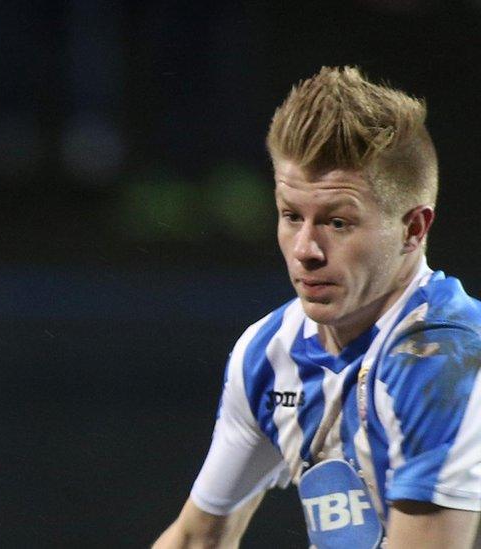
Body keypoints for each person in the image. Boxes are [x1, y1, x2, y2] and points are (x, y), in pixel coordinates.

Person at [153, 66, 481, 548]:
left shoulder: (447, 361)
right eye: (291, 216)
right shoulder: (269, 353)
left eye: (338, 223)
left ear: (413, 229)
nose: (306, 248)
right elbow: (194, 539)